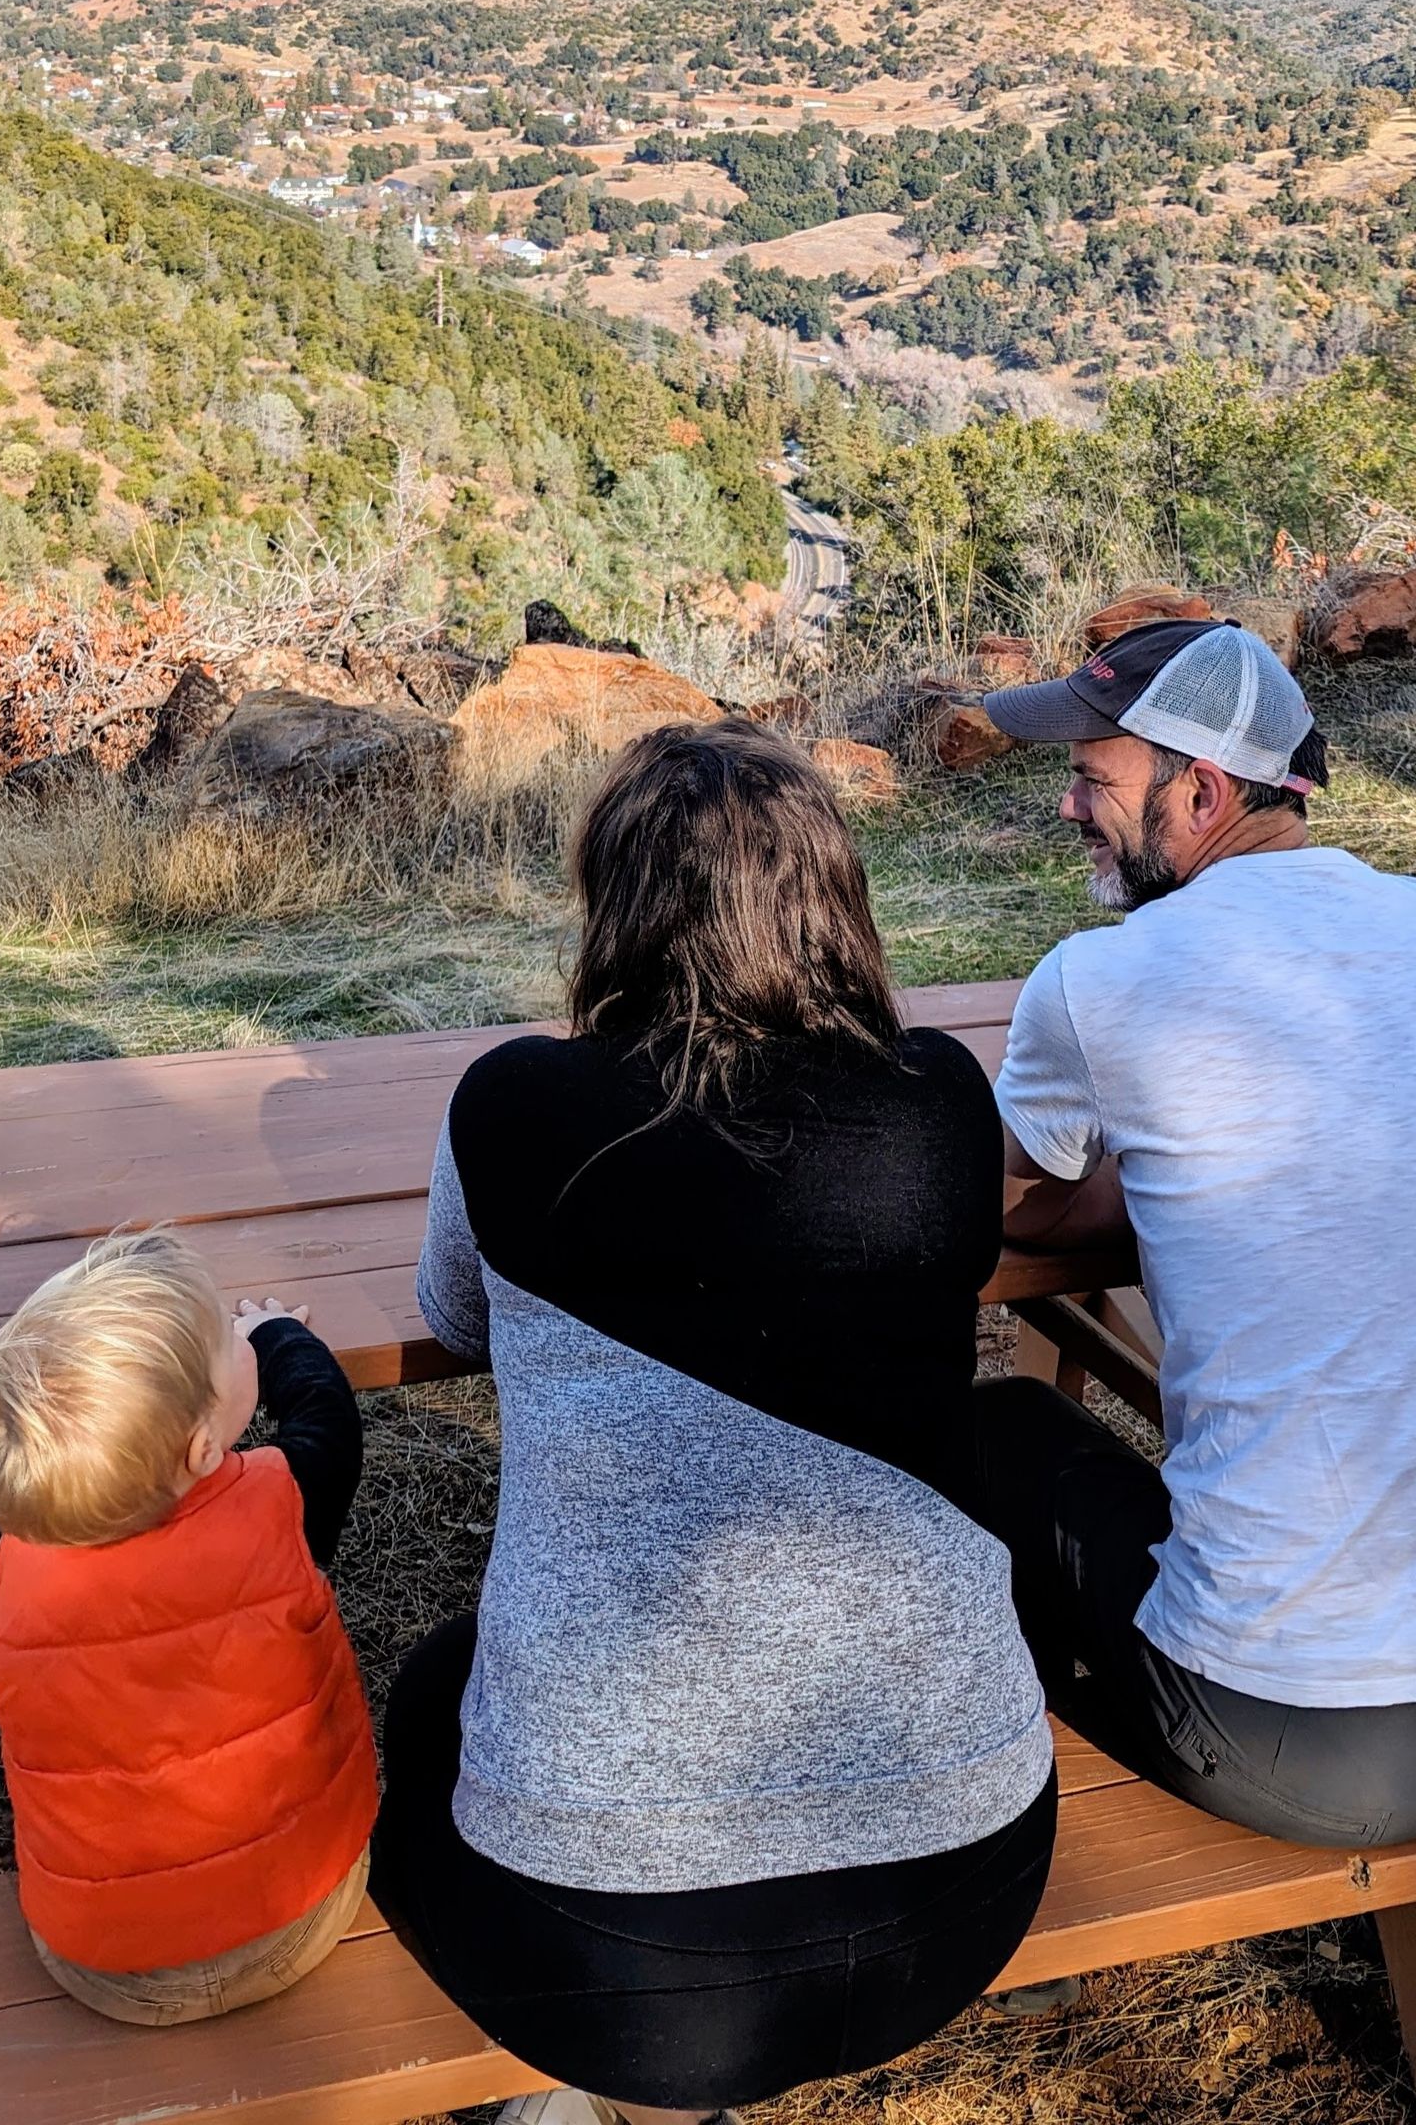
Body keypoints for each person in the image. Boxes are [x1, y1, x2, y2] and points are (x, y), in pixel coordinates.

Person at [372, 718, 1058, 2125]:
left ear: (613, 905)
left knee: (431, 1697)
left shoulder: (511, 1105)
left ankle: (602, 2100)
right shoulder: (939, 1101)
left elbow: (456, 1321)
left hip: (622, 1978)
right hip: (965, 1898)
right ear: (838, 901)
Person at [975, 612, 1416, 1849]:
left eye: (1091, 777)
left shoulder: (1101, 980)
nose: (1069, 807)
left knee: (1000, 1432)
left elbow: (1016, 1196)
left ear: (1203, 791)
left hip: (1301, 1736)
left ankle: (986, 1849)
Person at [0, 1229, 376, 2024]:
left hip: (106, 1970)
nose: (238, 1345)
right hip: (303, 1917)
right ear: (204, 1447)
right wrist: (277, 1336)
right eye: (223, 1352)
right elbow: (329, 1418)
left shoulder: (6, 1568)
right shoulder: (284, 1505)